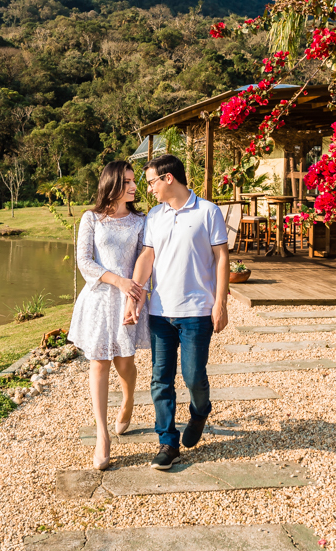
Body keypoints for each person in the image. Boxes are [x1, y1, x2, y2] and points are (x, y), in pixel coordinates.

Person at [132, 154, 229, 471]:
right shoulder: (155, 216)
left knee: (193, 376)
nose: (149, 190)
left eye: (151, 182)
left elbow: (221, 258)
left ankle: (201, 411)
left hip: (197, 311)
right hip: (159, 312)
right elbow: (148, 256)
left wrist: (220, 302)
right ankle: (167, 442)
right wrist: (135, 294)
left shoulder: (208, 212)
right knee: (160, 380)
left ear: (168, 178)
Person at [67, 160, 150, 471]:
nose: (133, 187)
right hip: (100, 299)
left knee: (125, 362)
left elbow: (146, 260)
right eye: (127, 181)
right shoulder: (91, 219)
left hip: (129, 300)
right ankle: (102, 435)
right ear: (112, 183)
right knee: (99, 362)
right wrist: (118, 281)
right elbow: (84, 262)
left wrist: (136, 292)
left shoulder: (141, 221)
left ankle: (128, 399)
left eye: (134, 181)